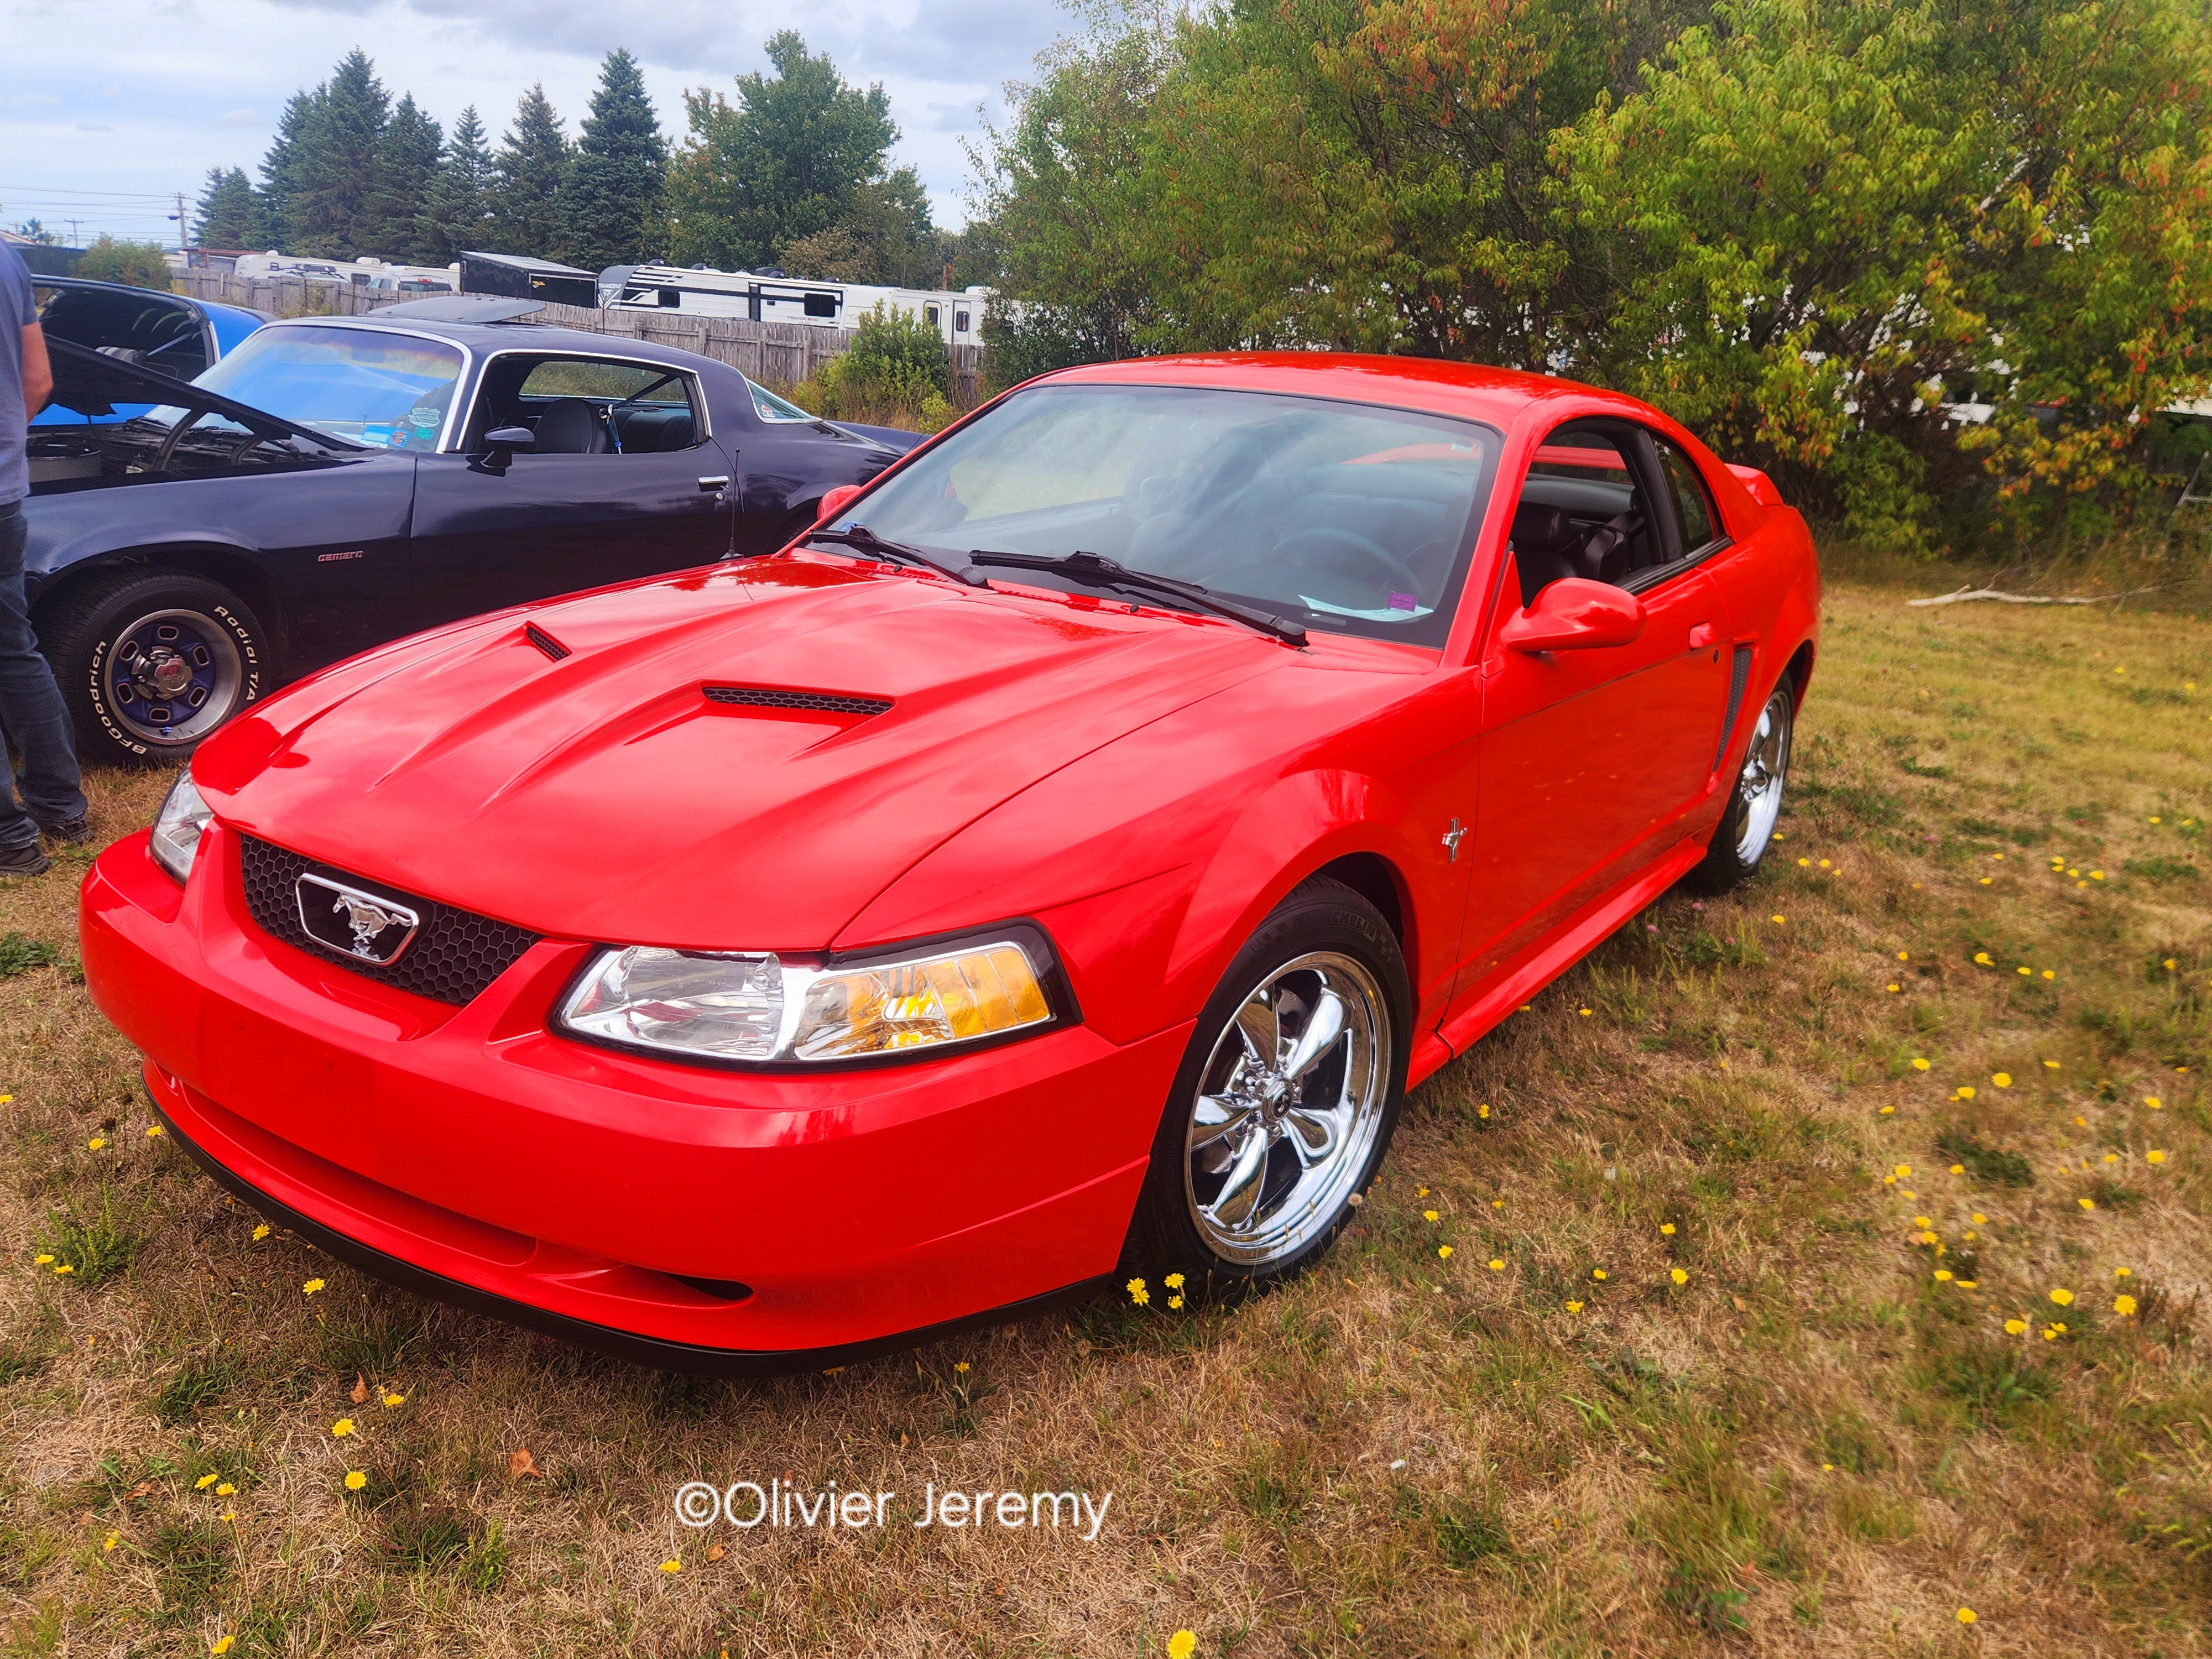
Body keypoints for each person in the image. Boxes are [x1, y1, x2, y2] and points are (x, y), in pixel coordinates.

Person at [0, 241, 88, 875]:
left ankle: (10, 839)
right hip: (4, 495)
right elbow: (38, 381)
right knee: (13, 649)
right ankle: (61, 806)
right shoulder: (8, 259)